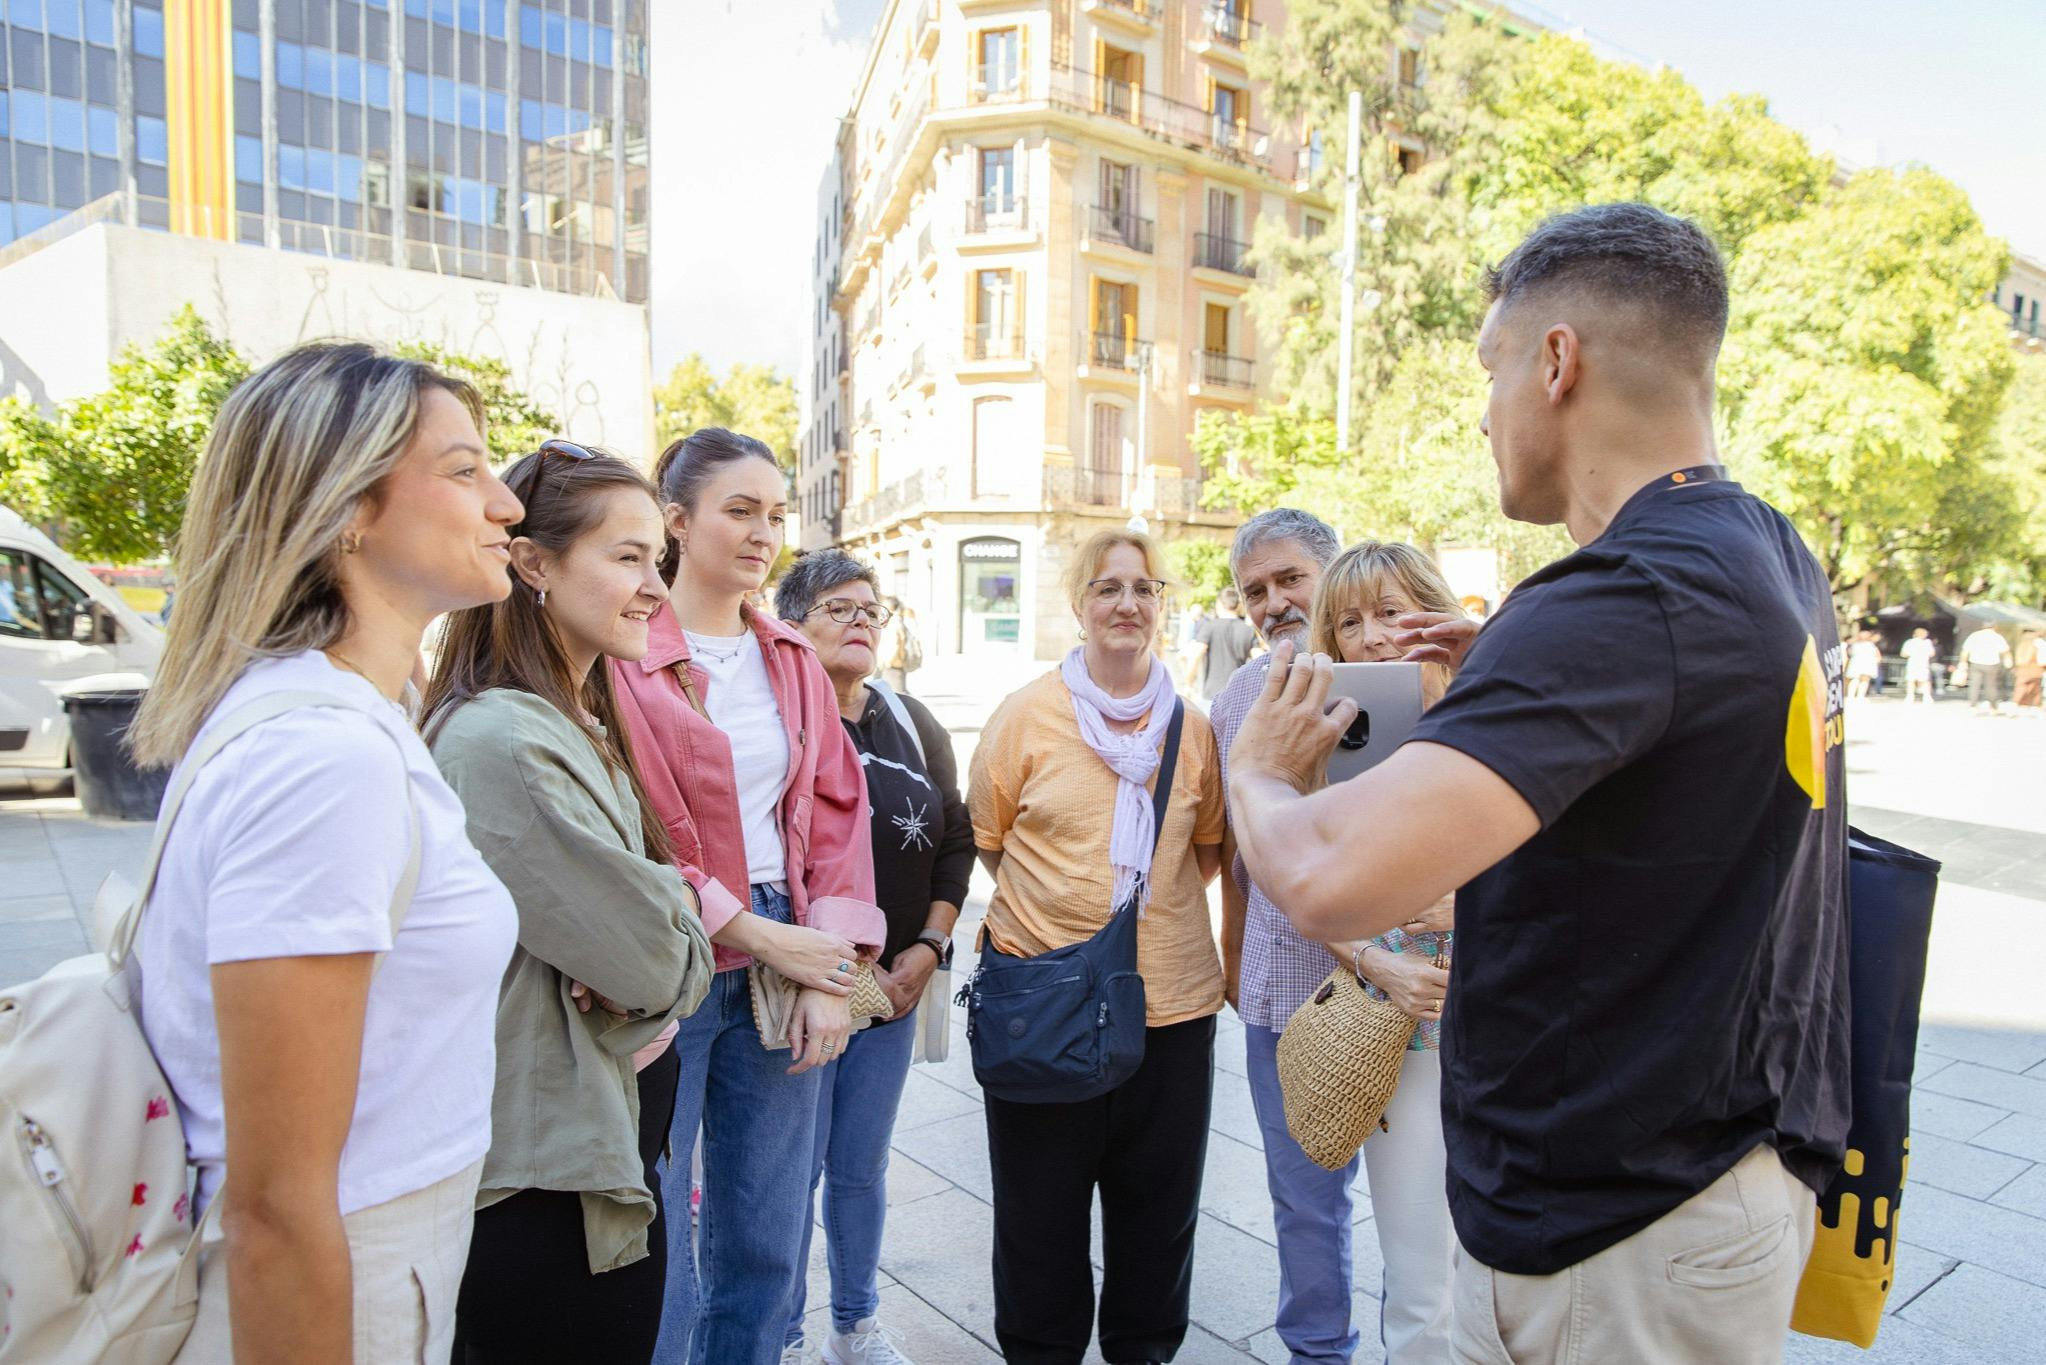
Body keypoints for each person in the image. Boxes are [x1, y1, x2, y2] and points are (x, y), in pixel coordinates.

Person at [1227, 204, 1850, 1363]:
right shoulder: (1766, 548)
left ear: (1557, 361)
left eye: (1491, 365)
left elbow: (1327, 877)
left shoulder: (1619, 599)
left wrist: (1258, 769)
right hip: (1712, 1171)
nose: (1481, 408)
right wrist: (1508, 680)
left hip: (1615, 1233)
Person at [129, 342, 524, 1363]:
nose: (507, 506)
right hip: (339, 1282)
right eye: (463, 469)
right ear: (346, 506)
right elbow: (274, 1206)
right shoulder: (324, 757)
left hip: (378, 1258)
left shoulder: (348, 719)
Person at [421, 444, 717, 1359]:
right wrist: (670, 921)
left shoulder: (568, 717)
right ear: (535, 564)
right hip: (548, 1186)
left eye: (655, 561)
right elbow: (665, 959)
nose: (656, 589)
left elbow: (662, 939)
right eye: (626, 557)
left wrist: (662, 913)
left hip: (600, 1151)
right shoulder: (506, 737)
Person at [610, 427, 886, 1365]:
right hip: (665, 948)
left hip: (790, 939)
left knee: (767, 1227)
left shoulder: (792, 659)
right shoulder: (618, 649)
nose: (765, 531)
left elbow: (839, 814)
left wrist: (829, 971)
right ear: (676, 521)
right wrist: (761, 936)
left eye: (776, 513)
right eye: (740, 510)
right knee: (653, 1221)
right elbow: (634, 820)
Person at [967, 528, 1227, 1365]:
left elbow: (1209, 848)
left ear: (1162, 604)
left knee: (1160, 1211)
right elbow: (992, 838)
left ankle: (1142, 1352)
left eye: (1144, 588)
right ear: (1079, 604)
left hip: (1171, 1005)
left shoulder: (1193, 729)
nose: (1127, 603)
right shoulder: (1025, 716)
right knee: (1038, 1213)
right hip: (1046, 1002)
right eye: (1108, 587)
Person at [777, 550, 974, 1365]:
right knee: (782, 1178)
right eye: (838, 607)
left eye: (872, 608)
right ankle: (776, 1332)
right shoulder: (773, 713)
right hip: (795, 986)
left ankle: (853, 1325)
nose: (862, 620)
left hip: (890, 991)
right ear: (791, 625)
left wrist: (928, 948)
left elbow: (956, 838)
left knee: (859, 1167)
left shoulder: (911, 719)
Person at [1208, 506, 1374, 1365]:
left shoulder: (1392, 675)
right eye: (1255, 591)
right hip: (1289, 989)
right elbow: (1240, 850)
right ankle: (1319, 1353)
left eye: (1289, 580)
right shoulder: (1237, 696)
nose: (1274, 602)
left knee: (1429, 1198)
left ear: (1330, 572)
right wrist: (1235, 960)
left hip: (1413, 988)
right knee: (1306, 1201)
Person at [1188, 586, 1259, 702]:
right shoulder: (1248, 630)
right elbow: (1259, 660)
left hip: (1212, 695)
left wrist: (1189, 682)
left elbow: (1196, 656)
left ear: (1219, 604)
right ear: (1238, 605)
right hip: (1239, 696)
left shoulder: (1209, 627)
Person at [1961, 624, 2013, 714]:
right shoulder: (1997, 636)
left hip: (1975, 663)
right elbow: (2005, 651)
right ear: (1994, 627)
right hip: (1991, 663)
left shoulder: (1974, 635)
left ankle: (1973, 706)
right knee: (1991, 686)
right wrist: (2008, 661)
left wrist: (1963, 662)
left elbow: (1965, 650)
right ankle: (1993, 707)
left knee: (1974, 685)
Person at [1901, 627, 1936, 705]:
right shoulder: (1927, 642)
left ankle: (1910, 697)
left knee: (1911, 681)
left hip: (1913, 663)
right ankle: (1926, 697)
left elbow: (1903, 654)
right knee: (1925, 681)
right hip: (1922, 663)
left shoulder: (1909, 642)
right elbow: (1932, 654)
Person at [1846, 630, 1881, 700]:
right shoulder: (1870, 645)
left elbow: (1849, 652)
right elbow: (1877, 655)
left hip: (1858, 663)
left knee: (1857, 679)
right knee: (1861, 680)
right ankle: (1858, 696)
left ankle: (1853, 696)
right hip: (1865, 663)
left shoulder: (1855, 645)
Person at [2016, 631, 2044, 710]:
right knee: (2035, 688)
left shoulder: (2022, 644)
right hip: (2036, 669)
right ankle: (2035, 704)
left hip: (2022, 670)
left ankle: (2020, 703)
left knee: (2021, 687)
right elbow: (2042, 660)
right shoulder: (2039, 644)